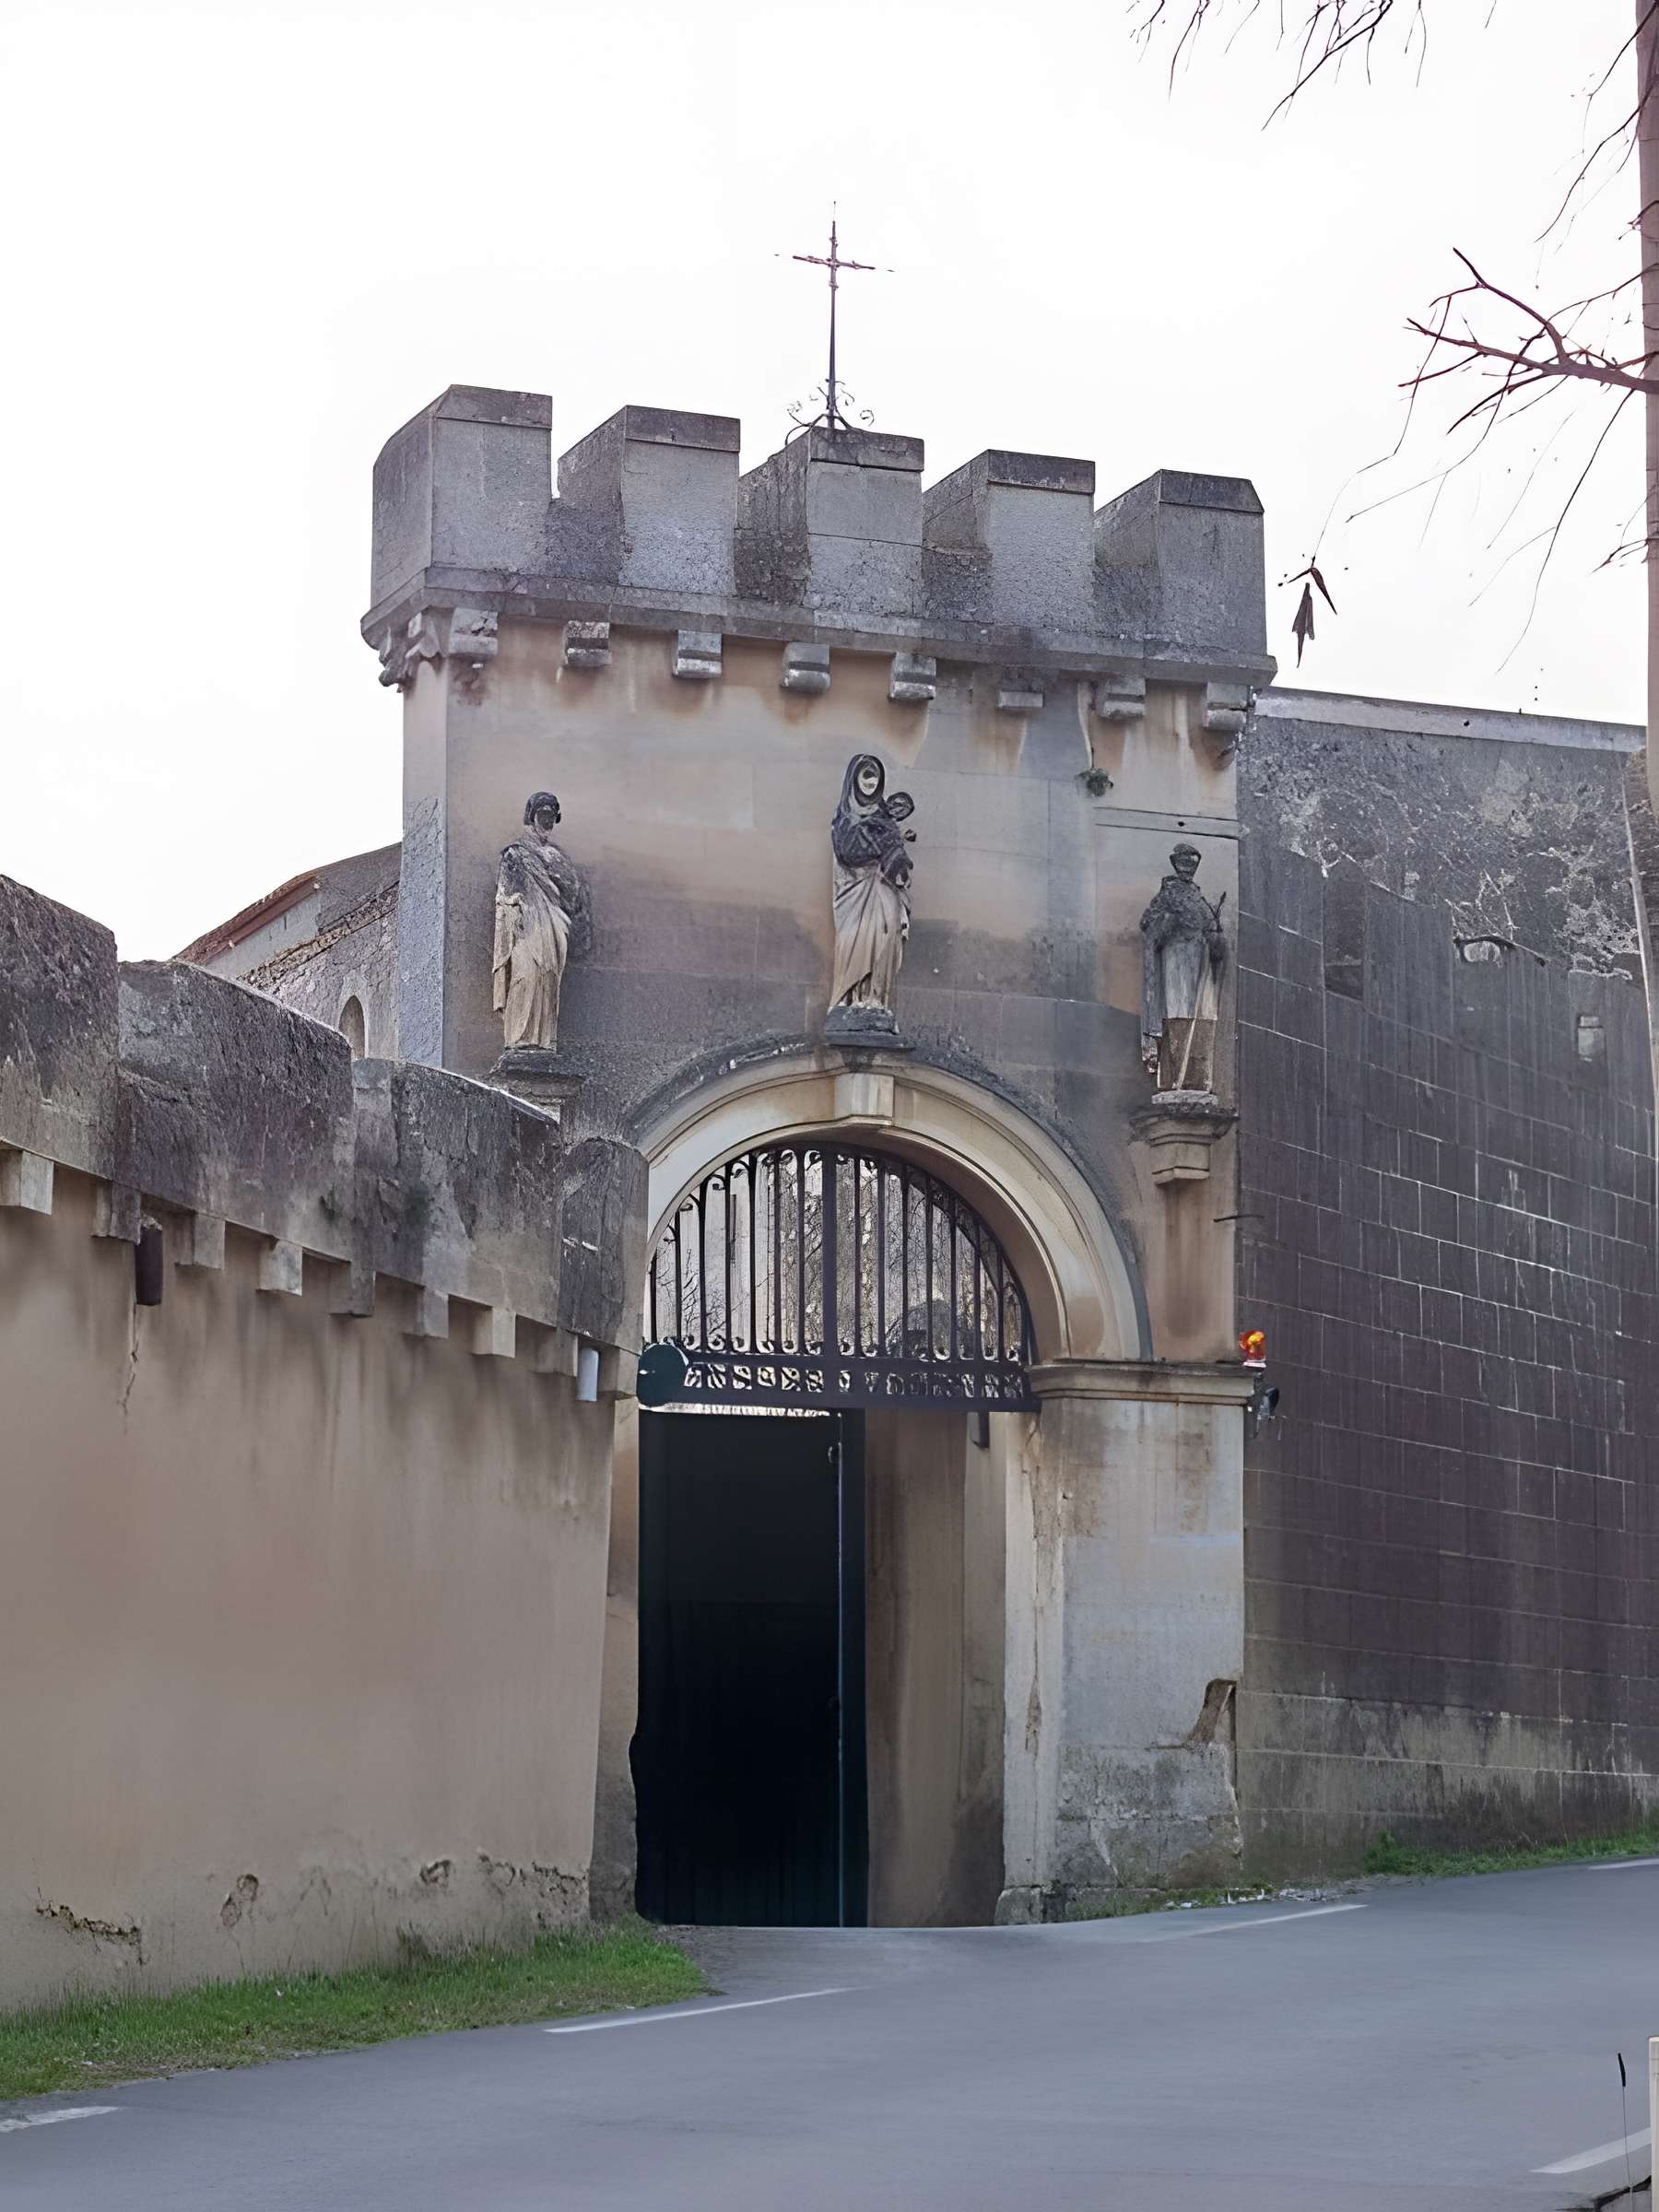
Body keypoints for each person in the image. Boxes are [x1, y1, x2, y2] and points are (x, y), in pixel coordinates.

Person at [492, 792, 587, 1053]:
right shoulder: (516, 854)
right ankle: (519, 1039)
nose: (547, 822)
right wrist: (513, 916)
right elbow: (504, 895)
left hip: (553, 924)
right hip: (526, 926)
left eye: (551, 817)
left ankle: (544, 1041)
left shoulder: (556, 856)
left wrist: (558, 871)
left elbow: (573, 894)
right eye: (542, 815)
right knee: (526, 976)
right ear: (532, 817)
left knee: (548, 979)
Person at [828, 754, 916, 1026]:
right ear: (854, 780)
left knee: (885, 938)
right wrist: (882, 843)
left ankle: (875, 1000)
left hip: (883, 890)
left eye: (875, 777)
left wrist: (897, 860)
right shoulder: (844, 820)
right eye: (865, 776)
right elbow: (848, 852)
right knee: (853, 943)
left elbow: (897, 856)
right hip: (854, 896)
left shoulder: (885, 820)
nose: (870, 782)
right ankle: (847, 999)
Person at [1139, 841, 1226, 1093]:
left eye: (1192, 862)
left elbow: (1214, 936)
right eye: (1184, 862)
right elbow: (1149, 925)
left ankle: (1195, 1078)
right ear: (1175, 863)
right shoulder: (1167, 894)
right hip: (1176, 963)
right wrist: (1169, 923)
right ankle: (1174, 1076)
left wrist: (1215, 938)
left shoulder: (1200, 898)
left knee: (1202, 1016)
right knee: (1177, 1013)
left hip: (1200, 965)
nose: (1188, 867)